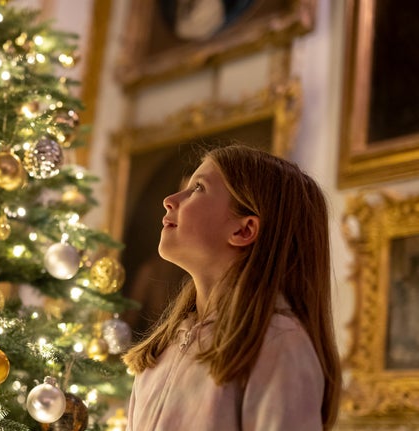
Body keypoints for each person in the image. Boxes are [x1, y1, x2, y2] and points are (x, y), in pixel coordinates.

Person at [122, 145, 341, 430]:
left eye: (198, 188)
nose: (170, 200)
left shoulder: (278, 345)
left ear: (243, 230)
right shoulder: (162, 349)